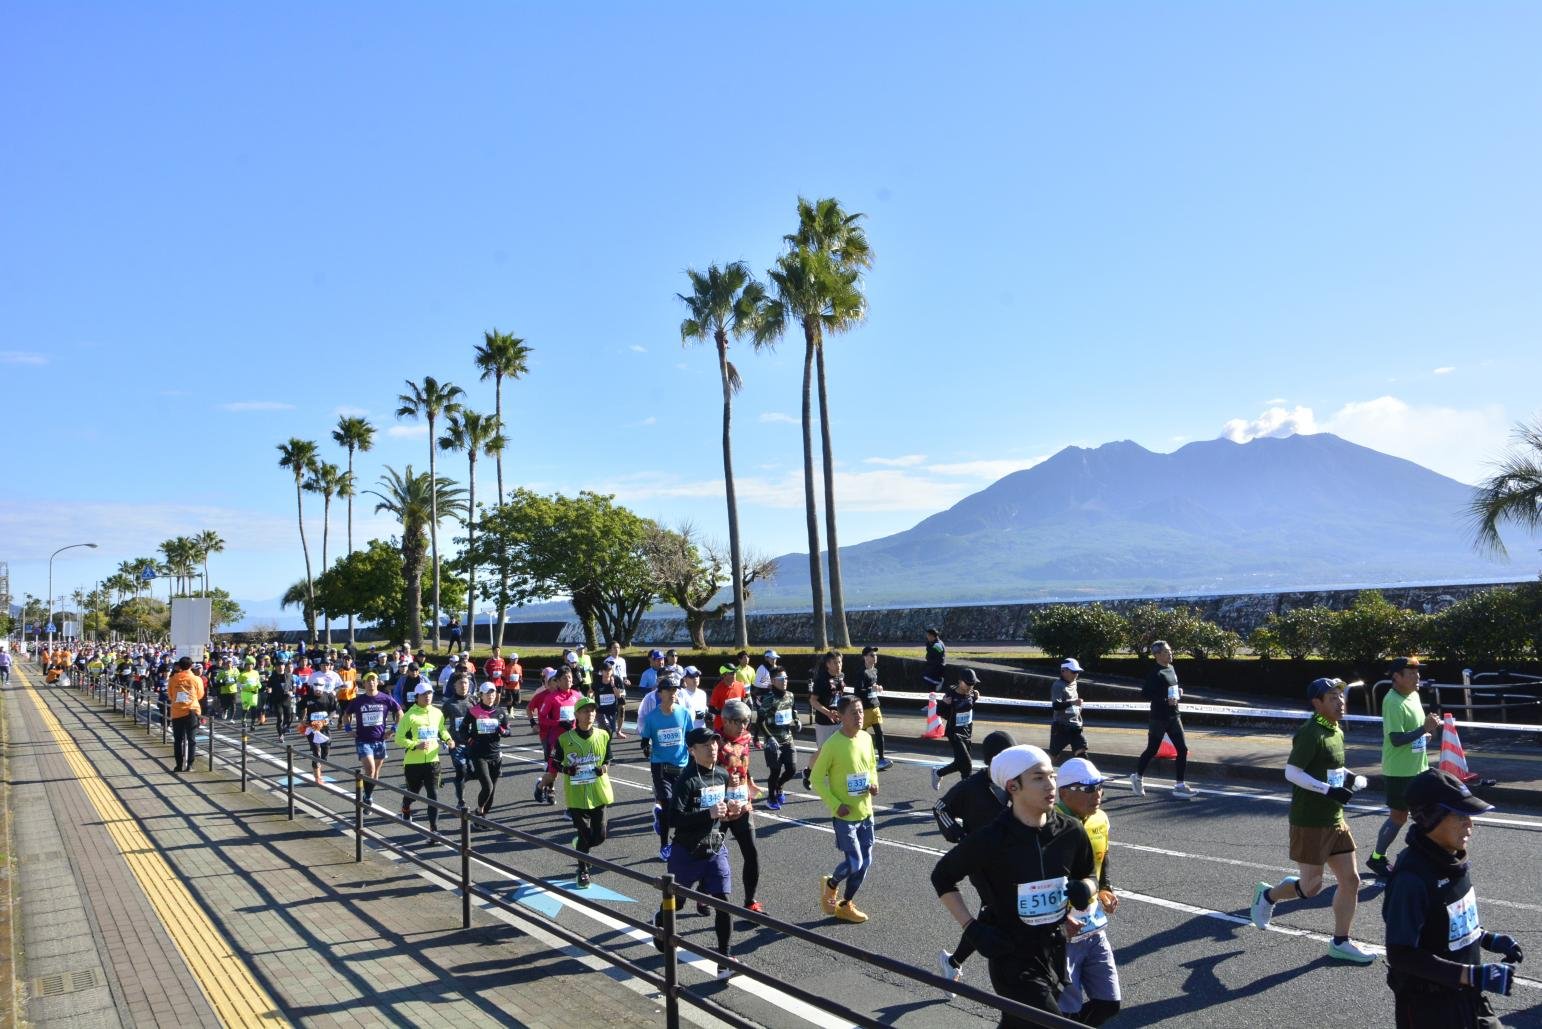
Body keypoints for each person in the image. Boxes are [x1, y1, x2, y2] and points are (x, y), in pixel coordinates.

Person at [931, 744, 1097, 1025]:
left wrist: (1086, 889)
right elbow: (942, 876)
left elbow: (1089, 875)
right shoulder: (992, 838)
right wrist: (971, 927)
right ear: (1012, 786)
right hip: (1010, 956)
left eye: (1052, 776)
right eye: (1038, 778)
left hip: (1054, 952)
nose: (1050, 785)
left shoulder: (1071, 831)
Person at [1382, 769, 1524, 1028]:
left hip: (1467, 995)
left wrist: (1489, 938)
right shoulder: (1412, 878)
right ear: (1431, 818)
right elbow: (1401, 954)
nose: (1470, 823)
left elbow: (1448, 920)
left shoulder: (1452, 859)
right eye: (1460, 815)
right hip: (1430, 1009)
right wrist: (1472, 975)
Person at [1249, 677, 1376, 964]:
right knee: (1311, 888)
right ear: (1316, 703)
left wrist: (1350, 777)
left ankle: (1340, 942)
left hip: (1335, 818)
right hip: (1310, 821)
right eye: (1332, 697)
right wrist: (1328, 789)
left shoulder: (1335, 730)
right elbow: (1291, 772)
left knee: (1351, 880)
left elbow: (1333, 766)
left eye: (1340, 696)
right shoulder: (1310, 732)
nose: (1340, 701)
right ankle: (1268, 896)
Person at [933, 730, 1018, 988]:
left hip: (1013, 860)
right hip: (981, 863)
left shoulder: (1017, 783)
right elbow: (940, 808)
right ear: (991, 762)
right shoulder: (971, 787)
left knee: (992, 914)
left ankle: (953, 963)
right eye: (1005, 759)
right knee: (995, 909)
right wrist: (958, 835)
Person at [654, 725, 738, 980]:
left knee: (723, 903)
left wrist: (732, 811)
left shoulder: (722, 776)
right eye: (705, 745)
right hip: (687, 851)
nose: (712, 748)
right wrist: (708, 813)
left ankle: (723, 959)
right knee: (677, 903)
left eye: (714, 743)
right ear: (692, 751)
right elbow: (675, 818)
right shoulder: (686, 780)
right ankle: (658, 923)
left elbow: (720, 815)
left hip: (714, 848)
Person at [1054, 758, 1122, 1026]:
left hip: (1093, 926)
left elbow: (1102, 855)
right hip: (1063, 933)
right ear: (1063, 792)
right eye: (1087, 788)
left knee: (1109, 1004)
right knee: (1064, 1011)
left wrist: (1105, 887)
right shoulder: (1051, 824)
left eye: (1100, 786)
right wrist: (1059, 918)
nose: (1097, 795)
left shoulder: (1100, 819)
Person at [1370, 656, 1442, 879]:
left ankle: (1425, 857)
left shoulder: (1413, 695)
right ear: (1396, 677)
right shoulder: (1392, 701)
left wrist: (1426, 734)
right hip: (1400, 772)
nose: (1417, 676)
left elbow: (1414, 731)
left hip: (1418, 767)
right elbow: (1397, 740)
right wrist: (1424, 729)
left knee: (1427, 815)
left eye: (1418, 672)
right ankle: (1377, 858)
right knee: (1399, 817)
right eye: (1411, 673)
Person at [811, 694, 880, 923]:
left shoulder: (866, 739)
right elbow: (817, 778)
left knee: (865, 863)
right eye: (854, 712)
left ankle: (845, 904)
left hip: (866, 812)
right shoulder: (832, 745)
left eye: (861, 711)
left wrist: (874, 783)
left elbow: (871, 765)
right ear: (841, 717)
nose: (860, 716)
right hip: (845, 816)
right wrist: (835, 804)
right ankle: (831, 885)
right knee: (854, 863)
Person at [555, 697, 614, 888]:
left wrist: (603, 768)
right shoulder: (564, 739)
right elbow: (555, 762)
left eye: (592, 710)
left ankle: (580, 844)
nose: (590, 714)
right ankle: (582, 870)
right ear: (577, 715)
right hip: (576, 793)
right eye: (585, 711)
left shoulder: (603, 735)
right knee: (586, 834)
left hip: (598, 791)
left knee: (599, 836)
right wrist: (566, 769)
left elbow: (608, 758)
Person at [1130, 641, 1196, 801]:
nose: (1170, 653)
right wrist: (1165, 700)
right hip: (1159, 717)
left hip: (1174, 715)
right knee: (1152, 750)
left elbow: (1170, 688)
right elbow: (1145, 694)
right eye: (1167, 651)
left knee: (1182, 749)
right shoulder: (1155, 673)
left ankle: (1180, 786)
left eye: (1170, 650)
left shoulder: (1171, 668)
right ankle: (1137, 777)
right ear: (1157, 655)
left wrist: (1178, 692)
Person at [639, 673, 693, 860]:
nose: (672, 693)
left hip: (682, 765)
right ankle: (665, 846)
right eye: (668, 690)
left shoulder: (684, 714)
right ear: (659, 693)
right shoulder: (652, 718)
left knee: (681, 808)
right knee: (669, 805)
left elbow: (690, 738)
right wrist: (646, 747)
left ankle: (677, 836)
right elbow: (645, 739)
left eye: (675, 690)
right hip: (661, 767)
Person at [717, 699, 762, 912]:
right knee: (711, 854)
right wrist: (725, 781)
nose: (744, 726)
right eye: (739, 721)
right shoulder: (714, 742)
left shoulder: (745, 738)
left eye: (746, 721)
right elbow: (704, 774)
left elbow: (743, 764)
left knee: (751, 854)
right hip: (719, 807)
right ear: (726, 721)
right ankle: (703, 895)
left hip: (743, 804)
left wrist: (750, 781)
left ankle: (750, 901)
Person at [394, 683, 453, 831]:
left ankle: (434, 830)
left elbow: (442, 730)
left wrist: (448, 739)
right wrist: (415, 745)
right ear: (417, 696)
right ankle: (406, 807)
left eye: (430, 693)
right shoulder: (409, 715)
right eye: (424, 694)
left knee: (433, 796)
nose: (428, 696)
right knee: (413, 794)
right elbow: (398, 738)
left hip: (433, 762)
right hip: (413, 763)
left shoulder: (437, 713)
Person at [345, 672, 402, 808]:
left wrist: (393, 730)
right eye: (368, 680)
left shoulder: (385, 698)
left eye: (374, 680)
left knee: (375, 773)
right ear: (364, 684)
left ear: (378, 682)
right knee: (370, 770)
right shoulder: (358, 700)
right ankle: (368, 798)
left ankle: (367, 795)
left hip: (380, 740)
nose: (371, 683)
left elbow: (400, 713)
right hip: (363, 740)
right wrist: (348, 729)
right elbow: (346, 714)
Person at [533, 665, 582, 805]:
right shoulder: (551, 698)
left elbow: (584, 714)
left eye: (570, 678)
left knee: (575, 772)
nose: (568, 681)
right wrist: (558, 723)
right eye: (565, 678)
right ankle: (540, 786)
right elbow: (542, 719)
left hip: (573, 740)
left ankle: (572, 805)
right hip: (556, 741)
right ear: (558, 681)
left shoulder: (577, 696)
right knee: (553, 773)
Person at [461, 683, 511, 817]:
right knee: (487, 786)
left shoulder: (500, 712)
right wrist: (470, 740)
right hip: (478, 754)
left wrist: (502, 731)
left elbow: (508, 731)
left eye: (493, 693)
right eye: (488, 694)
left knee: (492, 790)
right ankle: (479, 811)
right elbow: (463, 729)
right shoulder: (473, 711)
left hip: (495, 754)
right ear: (481, 695)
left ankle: (482, 816)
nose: (491, 696)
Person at [757, 669, 801, 810]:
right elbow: (760, 721)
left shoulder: (790, 695)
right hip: (773, 741)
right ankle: (771, 797)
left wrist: (797, 719)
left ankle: (779, 785)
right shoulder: (769, 698)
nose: (785, 681)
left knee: (791, 770)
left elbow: (793, 709)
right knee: (775, 771)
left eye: (786, 678)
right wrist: (769, 738)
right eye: (781, 679)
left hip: (787, 739)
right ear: (773, 681)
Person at [802, 651, 845, 791]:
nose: (838, 665)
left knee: (840, 748)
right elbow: (813, 701)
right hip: (824, 722)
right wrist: (828, 713)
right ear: (827, 664)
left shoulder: (840, 677)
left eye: (839, 662)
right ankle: (808, 771)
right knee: (823, 751)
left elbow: (838, 698)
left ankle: (839, 777)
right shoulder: (822, 680)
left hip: (839, 720)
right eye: (834, 662)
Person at [932, 668, 980, 791]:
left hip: (967, 732)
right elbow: (939, 712)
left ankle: (938, 773)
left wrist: (975, 697)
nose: (970, 686)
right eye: (968, 683)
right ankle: (967, 794)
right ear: (960, 681)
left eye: (972, 683)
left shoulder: (971, 693)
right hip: (954, 733)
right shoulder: (951, 694)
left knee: (961, 764)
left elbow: (969, 706)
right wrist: (943, 703)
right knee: (967, 765)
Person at [297, 676, 340, 787]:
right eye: (316, 685)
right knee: (316, 752)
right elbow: (299, 708)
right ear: (312, 686)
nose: (318, 688)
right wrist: (302, 720)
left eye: (320, 686)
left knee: (326, 748)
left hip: (324, 727)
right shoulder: (307, 698)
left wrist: (326, 720)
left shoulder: (329, 696)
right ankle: (317, 777)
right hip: (311, 728)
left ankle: (321, 762)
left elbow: (334, 710)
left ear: (324, 686)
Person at [441, 674, 475, 808]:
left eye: (466, 683)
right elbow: (440, 723)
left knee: (473, 772)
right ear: (454, 686)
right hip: (456, 743)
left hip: (473, 743)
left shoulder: (474, 701)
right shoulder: (449, 704)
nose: (464, 686)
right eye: (460, 683)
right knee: (461, 769)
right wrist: (445, 738)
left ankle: (460, 780)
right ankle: (461, 801)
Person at [855, 645, 892, 771]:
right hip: (865, 709)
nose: (875, 657)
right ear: (865, 657)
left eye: (875, 655)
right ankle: (859, 760)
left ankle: (881, 759)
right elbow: (858, 691)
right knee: (861, 736)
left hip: (875, 706)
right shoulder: (861, 672)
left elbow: (873, 686)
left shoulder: (874, 670)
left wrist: (877, 687)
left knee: (879, 733)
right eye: (872, 655)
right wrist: (872, 688)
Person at [167, 656, 205, 773]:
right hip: (191, 711)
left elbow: (170, 695)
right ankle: (190, 765)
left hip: (177, 712)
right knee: (191, 739)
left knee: (178, 740)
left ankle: (178, 765)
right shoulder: (196, 679)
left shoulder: (173, 679)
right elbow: (200, 694)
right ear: (191, 666)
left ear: (179, 666)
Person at [1048, 658, 1089, 761]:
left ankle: (1086, 776)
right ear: (1063, 671)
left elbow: (1074, 704)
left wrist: (1078, 707)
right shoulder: (1058, 686)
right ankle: (1043, 772)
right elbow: (1056, 705)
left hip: (1075, 727)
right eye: (1074, 671)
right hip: (1061, 727)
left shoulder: (1074, 683)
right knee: (1053, 756)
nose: (1076, 674)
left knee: (1081, 752)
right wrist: (1073, 702)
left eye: (1078, 672)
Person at [708, 662, 749, 734]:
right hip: (721, 727)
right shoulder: (718, 689)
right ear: (724, 675)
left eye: (735, 672)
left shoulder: (740, 685)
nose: (734, 675)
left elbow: (743, 700)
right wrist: (727, 714)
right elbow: (711, 708)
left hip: (737, 727)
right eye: (731, 673)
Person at [677, 666, 710, 731]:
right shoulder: (681, 694)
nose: (695, 678)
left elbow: (704, 709)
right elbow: (680, 714)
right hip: (688, 731)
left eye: (697, 676)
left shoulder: (702, 693)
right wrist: (694, 715)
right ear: (684, 679)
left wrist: (708, 714)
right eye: (692, 676)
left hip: (702, 730)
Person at [595, 658, 623, 736]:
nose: (608, 672)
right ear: (602, 671)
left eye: (610, 670)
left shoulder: (617, 679)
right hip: (600, 710)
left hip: (612, 710)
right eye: (606, 670)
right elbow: (591, 691)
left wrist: (613, 685)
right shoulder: (597, 679)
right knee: (603, 731)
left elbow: (618, 695)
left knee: (611, 731)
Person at [237, 658, 264, 732]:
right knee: (245, 708)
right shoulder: (242, 674)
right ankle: (243, 719)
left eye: (251, 665)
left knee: (254, 708)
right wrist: (244, 686)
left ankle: (252, 724)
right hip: (245, 693)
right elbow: (238, 684)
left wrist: (259, 685)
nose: (249, 666)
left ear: (253, 666)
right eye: (248, 665)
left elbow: (257, 681)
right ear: (245, 666)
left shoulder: (256, 672)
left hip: (254, 693)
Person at [923, 627, 947, 692]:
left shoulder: (938, 645)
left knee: (931, 688)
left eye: (928, 635)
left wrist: (928, 646)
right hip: (932, 668)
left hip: (936, 670)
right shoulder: (933, 643)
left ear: (932, 636)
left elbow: (933, 656)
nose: (927, 637)